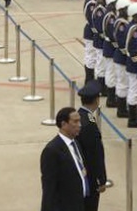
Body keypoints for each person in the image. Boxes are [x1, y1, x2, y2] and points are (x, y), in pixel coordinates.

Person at [41, 107, 89, 211]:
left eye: (79, 121)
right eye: (75, 122)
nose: (79, 125)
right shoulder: (52, 151)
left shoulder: (76, 143)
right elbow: (49, 189)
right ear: (63, 124)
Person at [75, 82, 108, 211]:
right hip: (89, 177)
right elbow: (95, 155)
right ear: (96, 100)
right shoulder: (89, 124)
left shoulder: (79, 117)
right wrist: (101, 179)